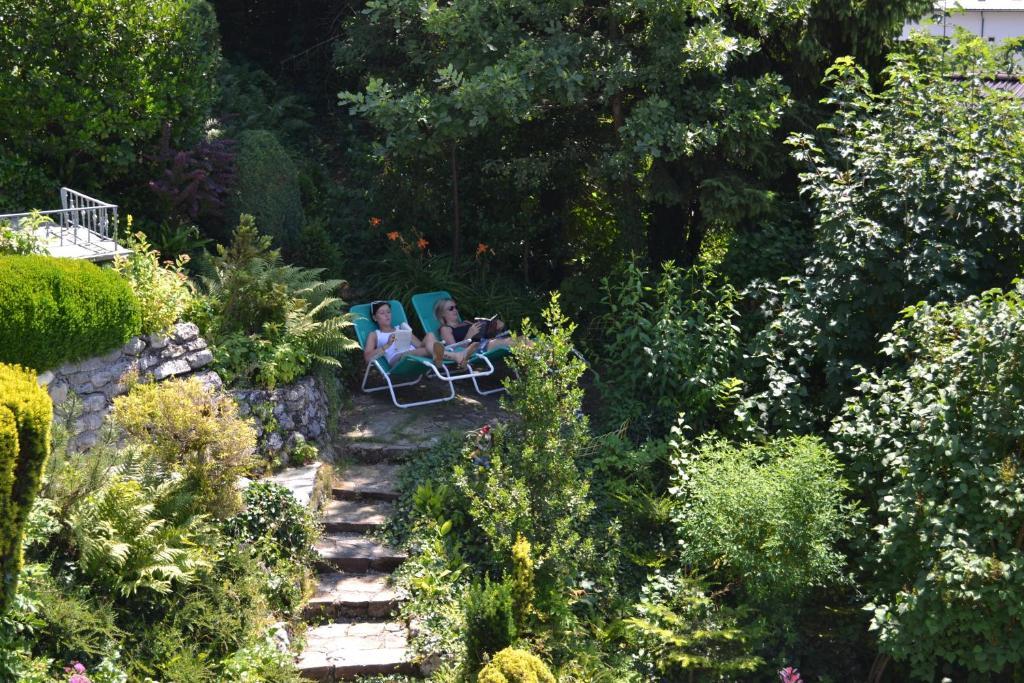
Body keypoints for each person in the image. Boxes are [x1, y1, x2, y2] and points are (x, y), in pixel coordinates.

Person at [364, 301, 477, 369]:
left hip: (415, 353)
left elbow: (419, 346)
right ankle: (456, 356)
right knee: (430, 349)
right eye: (382, 313)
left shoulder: (401, 329)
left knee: (429, 336)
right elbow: (367, 358)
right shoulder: (375, 335)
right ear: (375, 317)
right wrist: (387, 345)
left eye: (388, 312)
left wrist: (410, 335)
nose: (387, 315)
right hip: (398, 359)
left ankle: (439, 356)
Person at [433, 298, 517, 354]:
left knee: (522, 339)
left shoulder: (465, 323)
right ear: (442, 313)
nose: (455, 310)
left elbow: (485, 335)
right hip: (476, 349)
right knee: (515, 342)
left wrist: (495, 327)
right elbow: (455, 351)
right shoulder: (445, 329)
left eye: (456, 307)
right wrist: (469, 334)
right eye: (451, 308)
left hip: (487, 341)